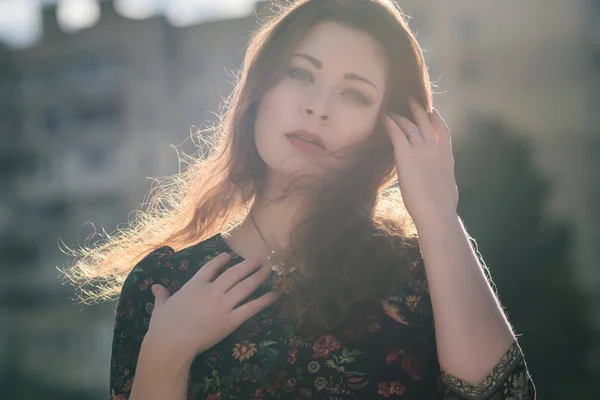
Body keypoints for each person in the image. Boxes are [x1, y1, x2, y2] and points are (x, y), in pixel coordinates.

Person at [62, 0, 536, 398]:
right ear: (259, 91)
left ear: (384, 129)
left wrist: (436, 209)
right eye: (300, 73)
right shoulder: (164, 284)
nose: (319, 106)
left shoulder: (422, 269)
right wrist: (165, 354)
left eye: (354, 94)